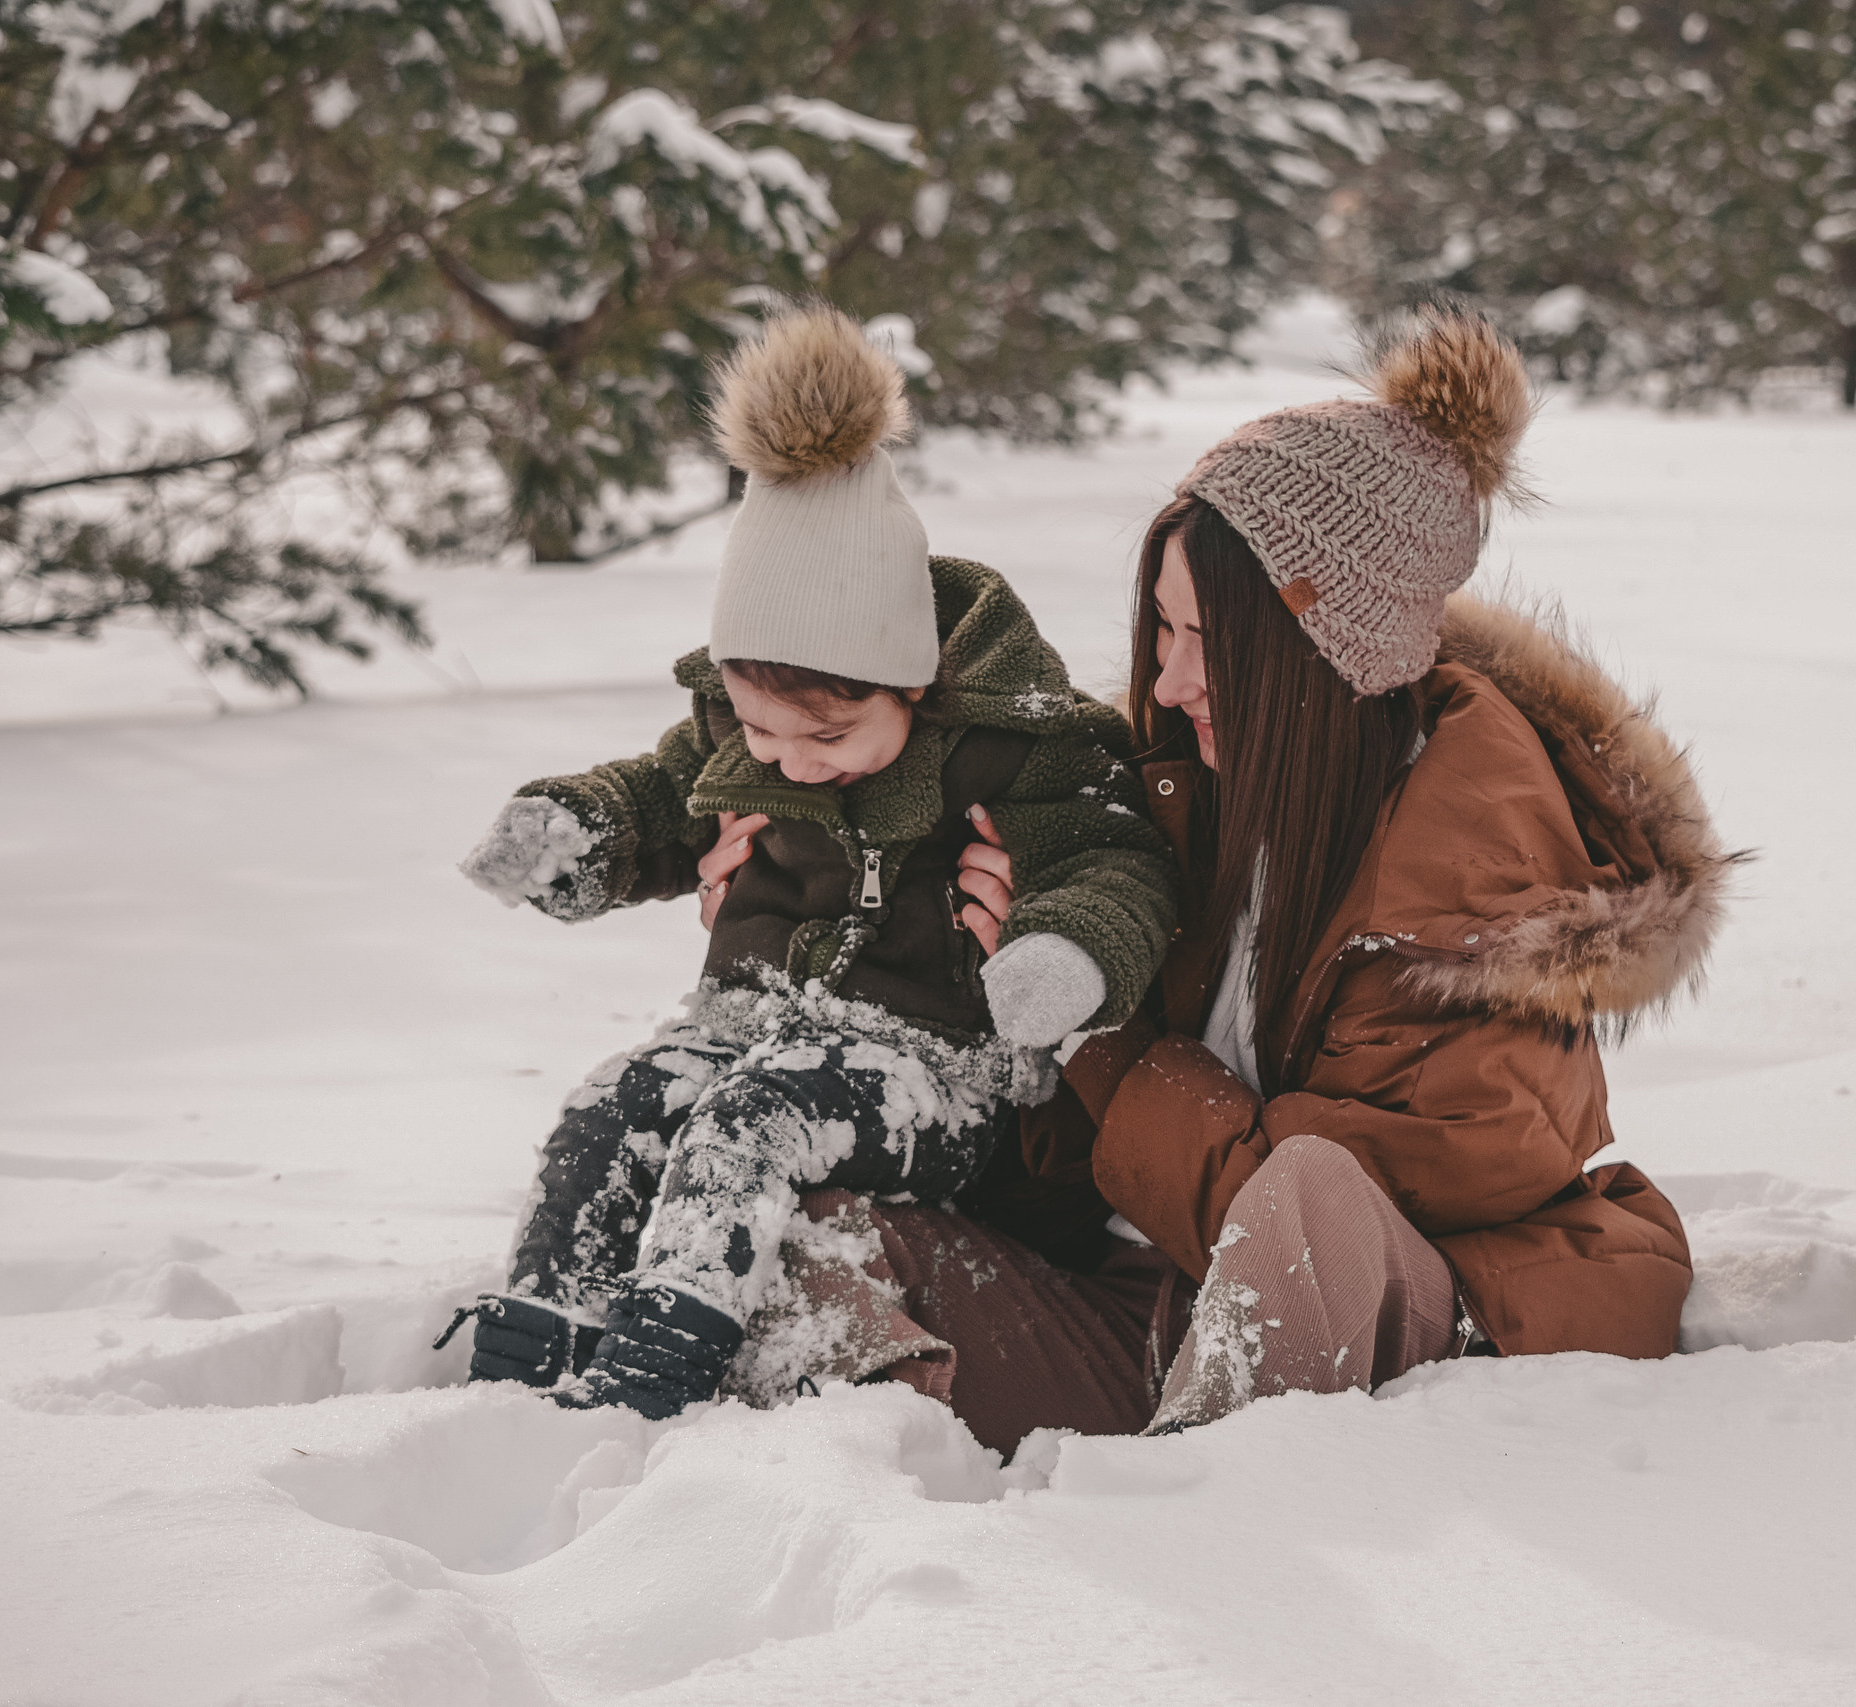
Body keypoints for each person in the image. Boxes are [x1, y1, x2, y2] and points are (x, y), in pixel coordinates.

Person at [679, 307, 1729, 1450]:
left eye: (1207, 638)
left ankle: (1202, 1532)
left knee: (1311, 1193)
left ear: (1330, 651)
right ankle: (892, 1496)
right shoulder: (1187, 797)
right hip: (1145, 1319)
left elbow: (1282, 1220)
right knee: (808, 1227)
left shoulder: (1493, 884)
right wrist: (822, 915)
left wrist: (1098, 1031)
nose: (1170, 681)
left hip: (1407, 1346)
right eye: (1163, 630)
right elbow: (1057, 1154)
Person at [442, 307, 1177, 1419]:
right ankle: (541, 1346)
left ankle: (657, 1372)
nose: (785, 762)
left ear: (912, 685)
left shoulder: (1019, 749)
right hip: (749, 1025)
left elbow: (1113, 860)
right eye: (758, 732)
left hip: (932, 1074)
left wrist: (1065, 948)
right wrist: (576, 834)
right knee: (617, 1107)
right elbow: (659, 799)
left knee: (753, 1122)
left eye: (825, 739)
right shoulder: (742, 735)